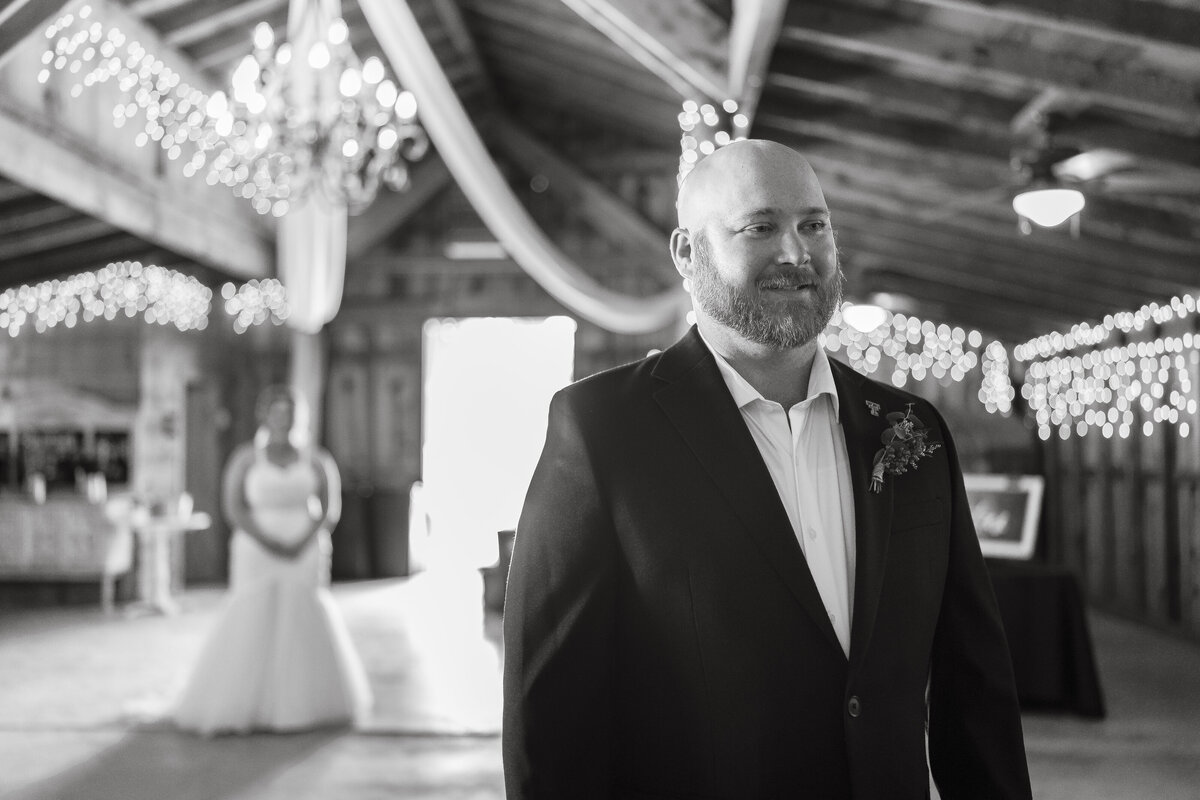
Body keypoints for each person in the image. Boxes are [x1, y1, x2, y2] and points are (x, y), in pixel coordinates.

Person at [502, 140, 1032, 799]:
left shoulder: (913, 430)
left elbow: (974, 685)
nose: (795, 253)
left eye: (814, 225)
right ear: (687, 254)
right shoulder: (603, 428)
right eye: (760, 227)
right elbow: (552, 717)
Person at [174, 385, 371, 735]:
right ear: (264, 417)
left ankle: (298, 703)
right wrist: (268, 541)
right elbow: (234, 507)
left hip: (305, 548)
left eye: (289, 414)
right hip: (256, 547)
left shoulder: (318, 459)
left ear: (298, 418)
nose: (283, 420)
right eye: (276, 413)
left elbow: (329, 509)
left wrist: (302, 541)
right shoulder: (246, 458)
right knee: (252, 613)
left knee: (302, 613)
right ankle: (244, 701)